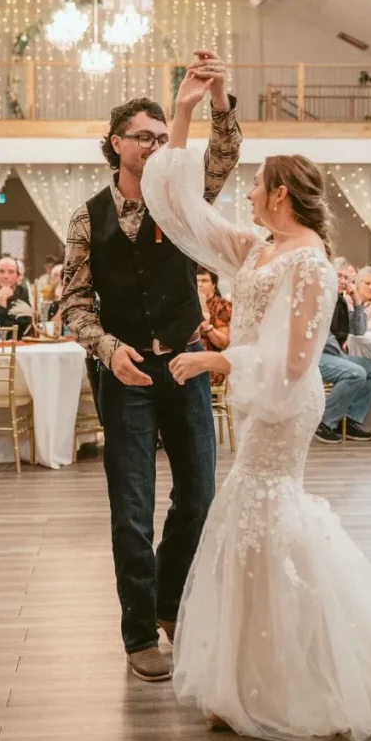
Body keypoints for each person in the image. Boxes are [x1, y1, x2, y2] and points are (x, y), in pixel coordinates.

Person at [139, 104, 371, 741]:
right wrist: (186, 108)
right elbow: (181, 206)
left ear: (279, 194)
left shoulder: (312, 264)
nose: (243, 191)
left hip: (282, 409)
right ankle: (251, 676)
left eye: (253, 184)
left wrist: (221, 356)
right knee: (254, 524)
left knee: (261, 518)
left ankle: (286, 678)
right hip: (254, 402)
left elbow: (299, 362)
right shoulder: (260, 248)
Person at [61, 50, 241, 683]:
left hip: (185, 366)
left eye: (164, 137)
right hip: (126, 375)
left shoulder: (180, 196)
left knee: (199, 494)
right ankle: (140, 632)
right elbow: (74, 303)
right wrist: (108, 349)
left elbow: (221, 157)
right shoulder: (88, 216)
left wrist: (212, 100)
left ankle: (169, 602)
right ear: (116, 144)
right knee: (130, 509)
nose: (157, 145)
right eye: (145, 137)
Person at [316, 263, 371, 444]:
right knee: (356, 373)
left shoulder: (342, 301)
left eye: (347, 279)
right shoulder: (320, 299)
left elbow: (359, 330)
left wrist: (357, 301)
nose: (343, 281)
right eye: (339, 276)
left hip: (335, 356)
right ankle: (325, 423)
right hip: (315, 357)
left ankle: (350, 419)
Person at [196, 268, 232, 384]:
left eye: (204, 281)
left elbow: (224, 343)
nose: (199, 284)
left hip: (212, 365)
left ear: (213, 285)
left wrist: (208, 328)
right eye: (196, 281)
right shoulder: (186, 305)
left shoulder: (222, 306)